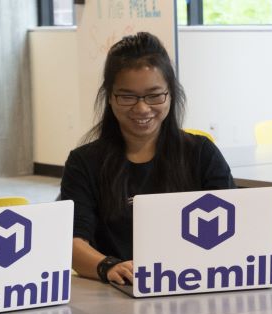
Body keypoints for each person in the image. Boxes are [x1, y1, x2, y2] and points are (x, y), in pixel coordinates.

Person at [61, 32, 234, 285]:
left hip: (196, 283)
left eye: (154, 95)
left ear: (171, 94)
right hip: (119, 292)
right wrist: (108, 266)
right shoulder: (84, 163)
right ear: (110, 97)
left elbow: (235, 226)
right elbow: (73, 242)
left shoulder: (201, 153)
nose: (142, 108)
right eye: (127, 96)